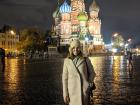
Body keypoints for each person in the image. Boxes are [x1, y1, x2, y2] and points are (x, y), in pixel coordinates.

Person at [62, 39, 96, 105]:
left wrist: (88, 84)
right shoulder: (66, 61)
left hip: (84, 92)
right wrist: (65, 94)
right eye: (73, 48)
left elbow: (92, 73)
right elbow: (64, 79)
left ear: (80, 48)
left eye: (77, 47)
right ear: (70, 49)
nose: (75, 49)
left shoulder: (85, 59)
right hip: (72, 93)